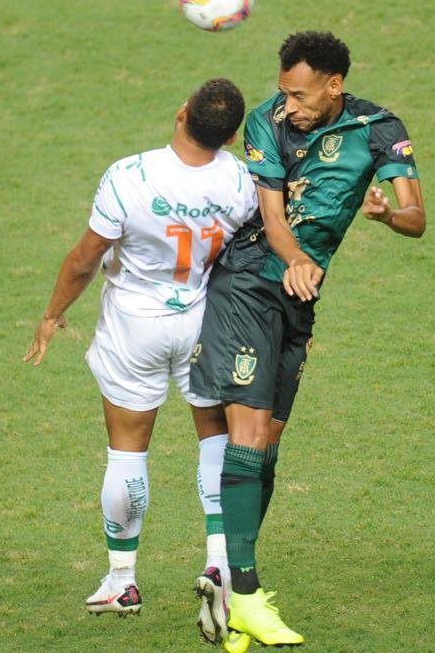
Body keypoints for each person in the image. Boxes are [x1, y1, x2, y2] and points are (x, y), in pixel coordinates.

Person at [189, 32, 426, 649]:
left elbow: (417, 219)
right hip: (247, 283)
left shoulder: (379, 129)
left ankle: (234, 587)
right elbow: (271, 220)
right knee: (246, 432)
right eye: (284, 92)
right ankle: (244, 593)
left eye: (298, 94)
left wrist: (385, 216)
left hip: (297, 300)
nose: (287, 104)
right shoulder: (267, 122)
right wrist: (294, 260)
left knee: (266, 443)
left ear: (333, 85)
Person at [22, 78, 258, 642]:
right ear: (230, 136)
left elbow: (84, 260)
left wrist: (52, 315)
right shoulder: (240, 180)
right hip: (203, 321)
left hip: (134, 326)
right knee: (214, 442)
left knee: (127, 449)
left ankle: (122, 578)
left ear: (182, 114)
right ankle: (220, 564)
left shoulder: (128, 176)